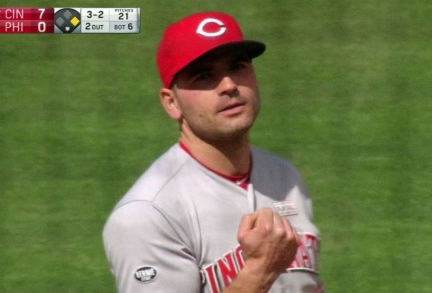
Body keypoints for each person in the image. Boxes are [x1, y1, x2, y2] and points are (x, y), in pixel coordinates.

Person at [103, 11, 325, 293]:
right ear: (172, 103)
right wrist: (259, 271)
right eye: (204, 76)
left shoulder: (285, 176)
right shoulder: (147, 214)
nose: (229, 85)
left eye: (238, 66)